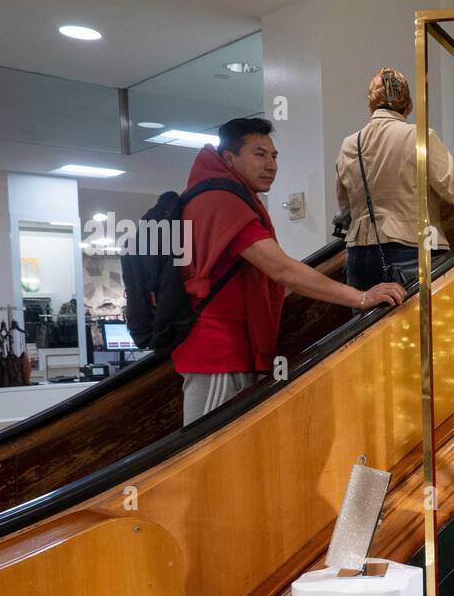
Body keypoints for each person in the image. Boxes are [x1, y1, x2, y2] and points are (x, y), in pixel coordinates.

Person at [173, 117, 405, 426]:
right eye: (259, 154)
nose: (271, 164)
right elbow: (282, 269)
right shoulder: (220, 200)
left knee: (229, 454)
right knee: (206, 456)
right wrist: (361, 297)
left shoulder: (230, 196)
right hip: (217, 353)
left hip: (230, 350)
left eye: (274, 155)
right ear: (229, 158)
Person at [335, 68, 454, 291]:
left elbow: (345, 206)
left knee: (367, 326)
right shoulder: (421, 137)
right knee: (420, 324)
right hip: (411, 250)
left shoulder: (349, 144)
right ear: (409, 105)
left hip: (359, 257)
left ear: (371, 104)